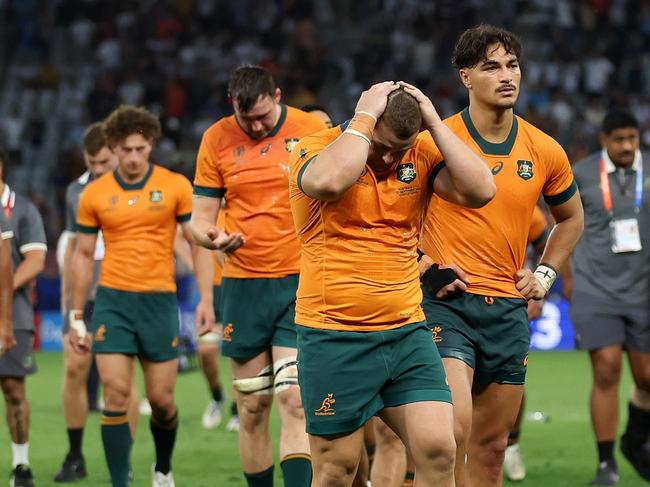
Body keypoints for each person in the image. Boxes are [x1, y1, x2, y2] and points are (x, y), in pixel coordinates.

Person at [288, 80, 495, 487]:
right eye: (381, 145)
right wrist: (365, 120)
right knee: (336, 470)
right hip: (334, 336)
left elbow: (482, 190)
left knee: (440, 447)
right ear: (362, 121)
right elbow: (329, 183)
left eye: (399, 148)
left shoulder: (418, 152)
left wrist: (433, 122)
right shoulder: (316, 149)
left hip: (406, 333)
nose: (388, 157)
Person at [420, 25, 584, 487]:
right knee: (450, 434)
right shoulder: (436, 141)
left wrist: (546, 275)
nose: (507, 75)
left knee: (492, 450)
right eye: (491, 66)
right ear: (466, 77)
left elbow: (571, 219)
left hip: (508, 310)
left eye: (512, 65)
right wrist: (424, 267)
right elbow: (394, 218)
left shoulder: (545, 149)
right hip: (445, 306)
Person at [190, 65, 327, 487]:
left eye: (263, 117)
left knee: (295, 400)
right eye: (246, 118)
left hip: (299, 281)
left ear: (278, 96)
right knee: (252, 408)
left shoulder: (311, 129)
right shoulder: (215, 138)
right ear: (233, 104)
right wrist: (212, 238)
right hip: (243, 285)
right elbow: (198, 221)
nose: (255, 126)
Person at [70, 105, 199, 487]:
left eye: (140, 149)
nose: (133, 157)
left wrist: (209, 292)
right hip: (113, 302)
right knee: (115, 393)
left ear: (151, 146)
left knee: (161, 400)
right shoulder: (94, 194)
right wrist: (77, 315)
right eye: (125, 150)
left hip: (159, 302)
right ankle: (119, 480)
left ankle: (162, 467)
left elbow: (194, 241)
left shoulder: (176, 185)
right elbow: (80, 255)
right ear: (113, 148)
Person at [568, 108, 650, 485]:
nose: (627, 147)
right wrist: (563, 276)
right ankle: (606, 463)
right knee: (606, 370)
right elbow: (561, 224)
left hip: (644, 290)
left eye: (632, 138)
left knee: (646, 377)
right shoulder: (581, 174)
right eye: (619, 140)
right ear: (604, 141)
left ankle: (634, 442)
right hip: (595, 289)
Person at [56, 122, 141, 482]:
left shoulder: (138, 188)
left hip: (124, 290)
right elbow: (75, 244)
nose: (98, 170)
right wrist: (66, 300)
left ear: (117, 153)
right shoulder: (76, 191)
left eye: (104, 162)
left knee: (120, 381)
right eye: (93, 163)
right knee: (75, 368)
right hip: (85, 292)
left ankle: (123, 462)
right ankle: (75, 456)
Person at [0, 152, 46, 487]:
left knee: (14, 391)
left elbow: (35, 259)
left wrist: (3, 287)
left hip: (13, 314)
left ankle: (21, 464)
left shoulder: (23, 209)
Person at [503, 205, 552, 482]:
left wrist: (540, 286)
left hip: (510, 301)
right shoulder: (446, 190)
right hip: (453, 300)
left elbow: (547, 244)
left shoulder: (523, 202)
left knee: (511, 381)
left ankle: (512, 444)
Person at [194, 209, 227, 430]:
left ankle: (239, 411)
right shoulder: (205, 204)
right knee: (206, 351)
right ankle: (217, 397)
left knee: (241, 352)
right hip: (212, 289)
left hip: (243, 283)